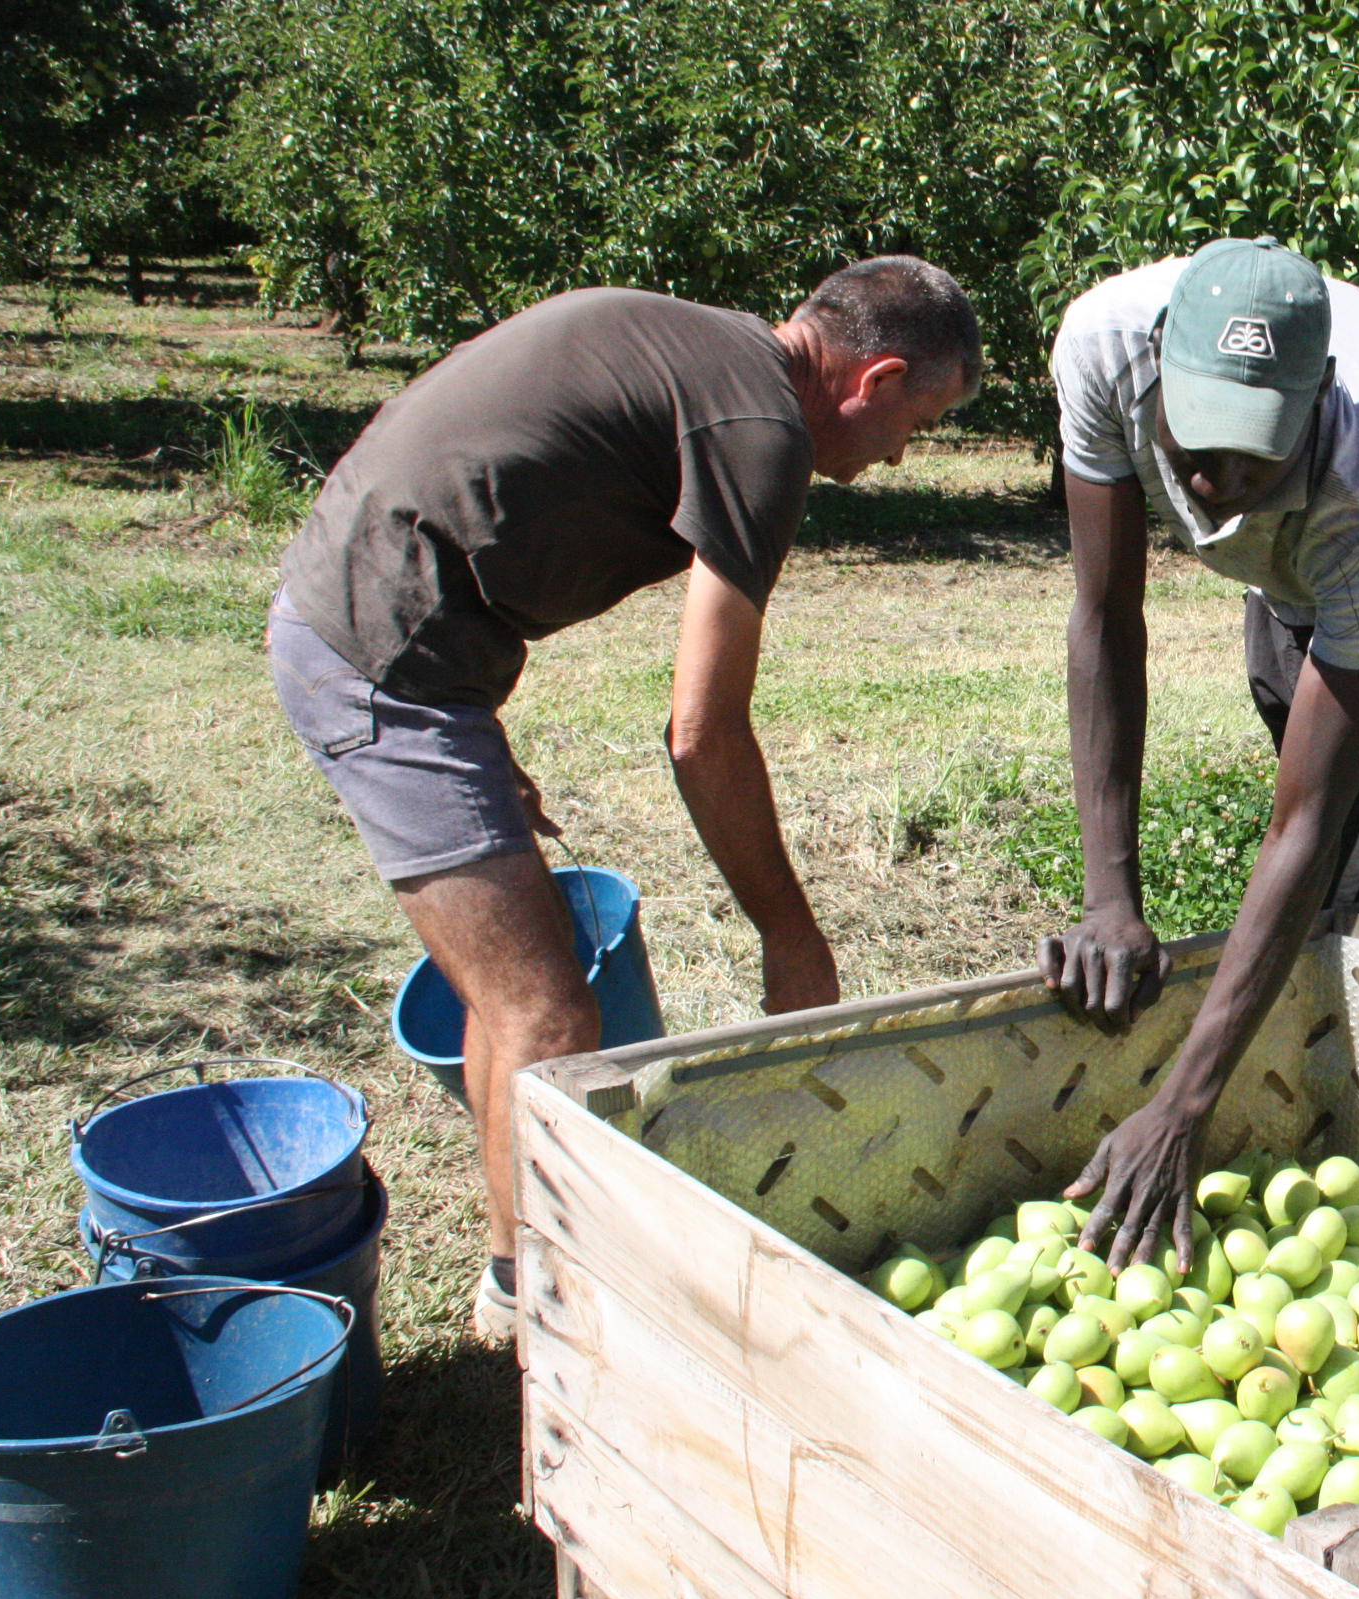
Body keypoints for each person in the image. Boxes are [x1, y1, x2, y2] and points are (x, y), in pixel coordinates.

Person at [267, 259, 983, 1341]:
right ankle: (535, 1310)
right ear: (875, 377)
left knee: (511, 992)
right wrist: (791, 936)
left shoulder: (709, 355)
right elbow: (702, 734)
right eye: (914, 425)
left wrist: (465, 700)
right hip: (383, 656)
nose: (894, 457)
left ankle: (516, 1272)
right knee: (546, 1013)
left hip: (397, 629)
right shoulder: (762, 428)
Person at [1042, 236, 1359, 1267]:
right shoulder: (1101, 346)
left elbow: (1305, 820)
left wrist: (1182, 1106)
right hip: (1300, 563)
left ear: (1321, 401)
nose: (1212, 482)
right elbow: (1103, 617)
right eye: (1194, 444)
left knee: (1350, 873)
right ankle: (1274, 1056)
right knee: (1289, 731)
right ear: (1159, 365)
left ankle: (1347, 1131)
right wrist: (1109, 896)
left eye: (1253, 454)